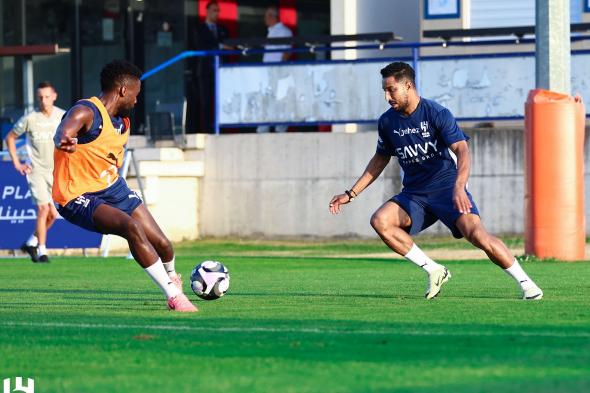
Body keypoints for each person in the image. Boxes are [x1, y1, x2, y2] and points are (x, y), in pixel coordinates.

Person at [329, 62, 543, 301]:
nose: (387, 96)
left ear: (408, 86)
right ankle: (434, 270)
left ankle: (528, 285)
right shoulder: (387, 122)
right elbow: (379, 159)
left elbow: (462, 149)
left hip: (447, 189)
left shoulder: (436, 113)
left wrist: (460, 186)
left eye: (391, 90)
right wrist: (351, 193)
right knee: (381, 221)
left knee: (477, 235)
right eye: (384, 90)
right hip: (415, 195)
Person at [53, 60, 197, 312]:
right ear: (122, 90)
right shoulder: (86, 111)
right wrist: (64, 139)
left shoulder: (123, 121)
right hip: (75, 194)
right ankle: (174, 297)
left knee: (163, 244)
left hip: (112, 187)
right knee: (131, 227)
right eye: (136, 94)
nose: (137, 100)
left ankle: (174, 279)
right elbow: (63, 130)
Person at [5, 81, 65, 263]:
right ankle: (42, 250)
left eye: (47, 96)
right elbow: (10, 138)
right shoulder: (30, 118)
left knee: (53, 214)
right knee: (43, 209)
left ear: (54, 96)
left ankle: (31, 242)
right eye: (40, 97)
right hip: (36, 169)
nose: (44, 100)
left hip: (56, 171)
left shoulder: (63, 116)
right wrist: (17, 163)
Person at [187, 0, 229, 133]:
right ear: (207, 11)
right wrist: (221, 46)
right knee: (205, 102)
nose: (216, 13)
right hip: (204, 71)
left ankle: (220, 129)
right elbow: (201, 45)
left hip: (221, 71)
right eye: (214, 10)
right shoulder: (199, 28)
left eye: (218, 10)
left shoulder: (222, 29)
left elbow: (230, 46)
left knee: (221, 100)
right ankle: (207, 130)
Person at [256, 5, 293, 134]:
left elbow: (287, 52)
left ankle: (279, 128)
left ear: (272, 17)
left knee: (279, 99)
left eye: (266, 16)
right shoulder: (270, 31)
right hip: (266, 71)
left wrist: (281, 69)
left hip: (277, 70)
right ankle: (264, 127)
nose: (265, 19)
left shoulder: (284, 31)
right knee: (266, 99)